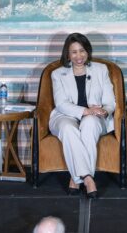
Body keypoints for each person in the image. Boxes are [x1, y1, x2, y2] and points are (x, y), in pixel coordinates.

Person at [49, 33, 116, 198]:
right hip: (65, 115)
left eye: (82, 51)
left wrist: (103, 111)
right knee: (68, 129)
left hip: (95, 117)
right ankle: (88, 178)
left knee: (90, 123)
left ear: (88, 51)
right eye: (74, 52)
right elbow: (61, 104)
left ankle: (75, 177)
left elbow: (110, 102)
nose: (79, 56)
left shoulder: (101, 70)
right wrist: (86, 111)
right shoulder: (58, 74)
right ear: (67, 54)